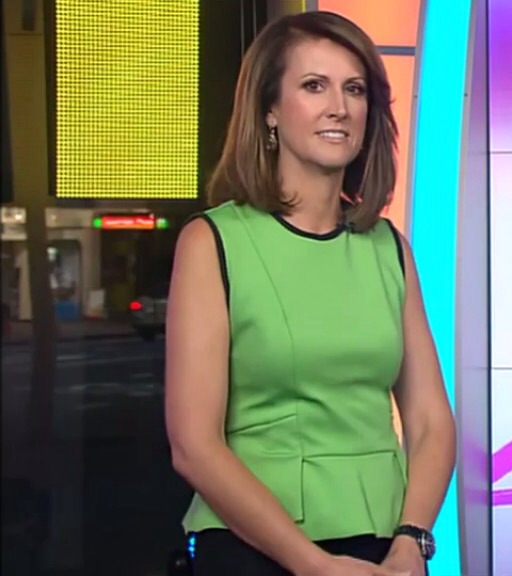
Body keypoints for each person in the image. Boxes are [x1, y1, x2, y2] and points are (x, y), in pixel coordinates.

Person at [164, 11, 455, 576]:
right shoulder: (213, 242)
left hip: (384, 549)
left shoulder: (388, 248)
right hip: (254, 551)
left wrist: (412, 539)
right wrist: (312, 564)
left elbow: (429, 420)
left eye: (355, 89)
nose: (339, 107)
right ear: (270, 110)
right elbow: (194, 445)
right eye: (314, 86)